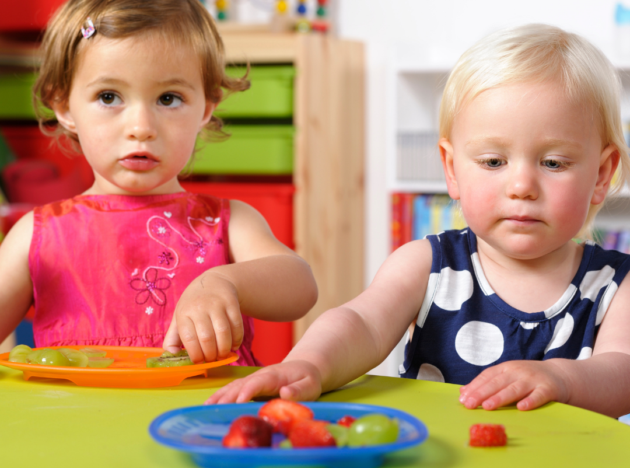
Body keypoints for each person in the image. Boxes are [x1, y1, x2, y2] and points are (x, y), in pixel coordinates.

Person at [208, 24, 630, 418]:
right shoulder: (428, 265)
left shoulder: (616, 285)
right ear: (452, 168)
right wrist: (309, 364)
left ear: (601, 174)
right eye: (494, 161)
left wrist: (561, 379)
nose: (521, 186)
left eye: (554, 162)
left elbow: (621, 372)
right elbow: (360, 323)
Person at [0, 0, 318, 366]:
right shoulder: (37, 235)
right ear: (64, 105)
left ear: (206, 106)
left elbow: (301, 286)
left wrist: (224, 283)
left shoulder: (228, 222)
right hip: (78, 420)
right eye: (109, 97)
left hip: (198, 419)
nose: (141, 128)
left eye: (168, 98)